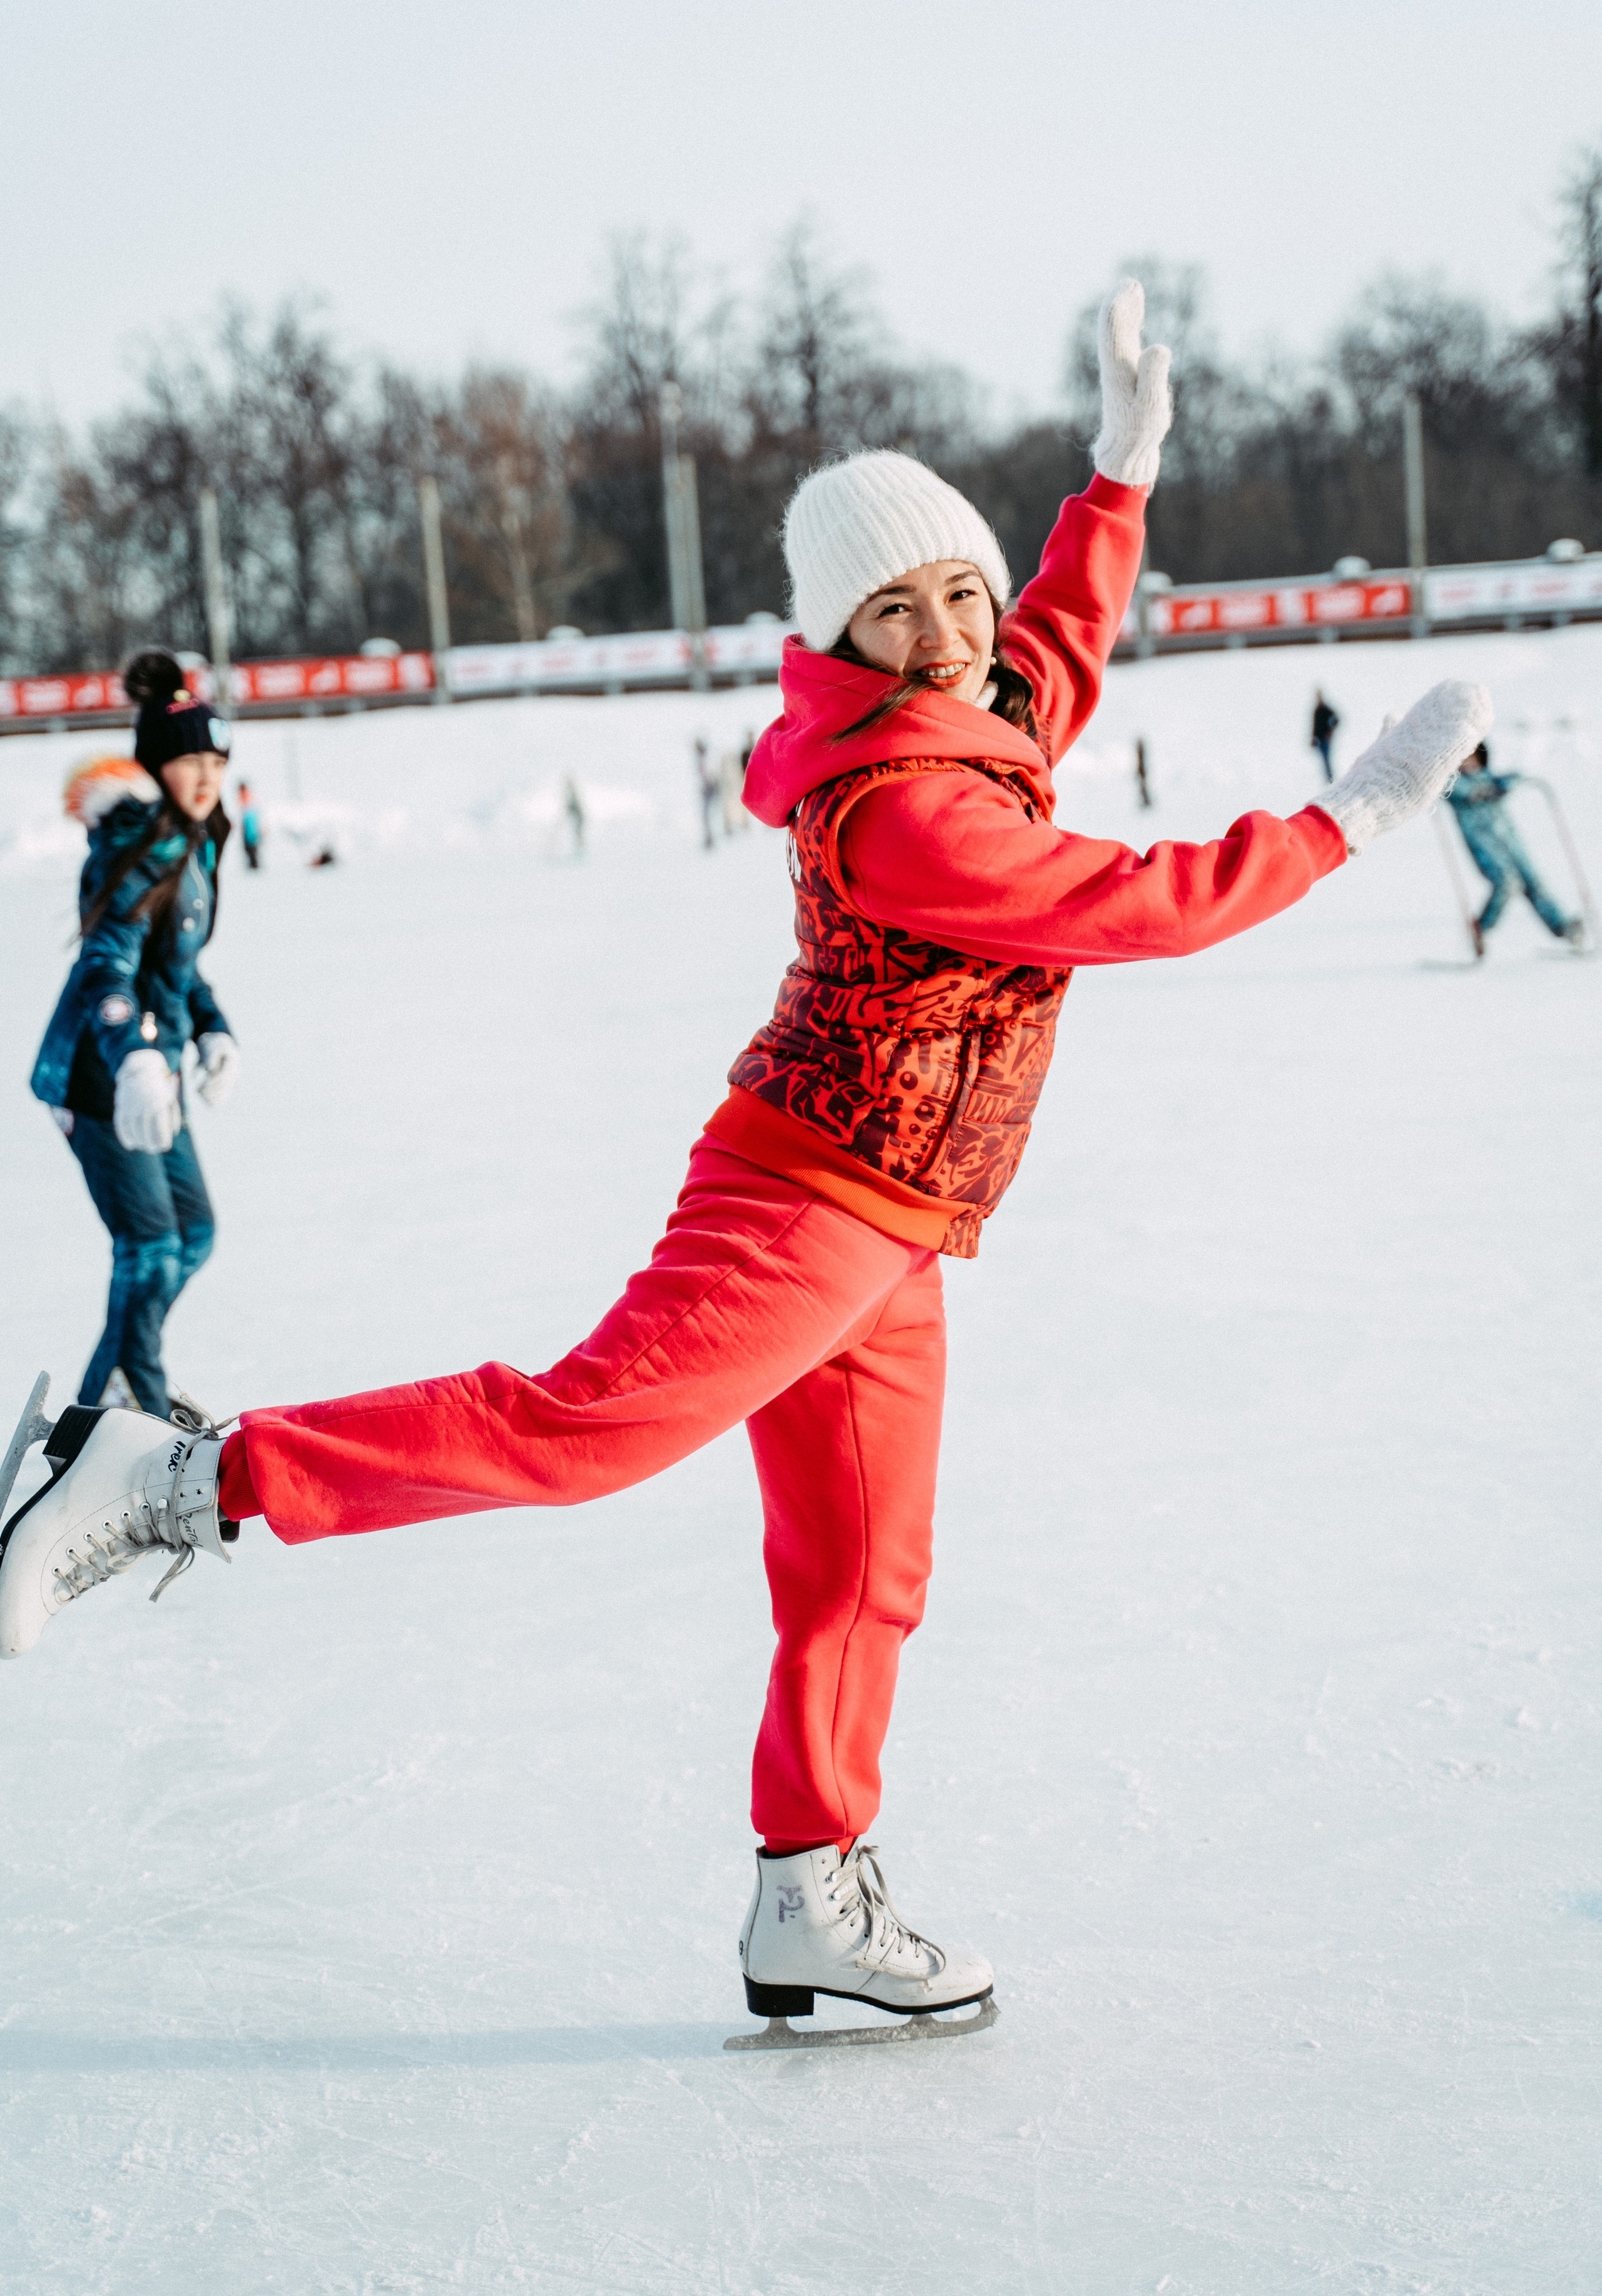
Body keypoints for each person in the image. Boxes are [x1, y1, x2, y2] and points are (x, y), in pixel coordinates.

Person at [0, 288, 1489, 2037]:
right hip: (805, 1200)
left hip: (896, 1227)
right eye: (898, 608)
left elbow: (1048, 666)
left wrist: (1117, 483)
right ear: (839, 640)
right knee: (578, 1432)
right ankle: (176, 1478)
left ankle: (811, 1899)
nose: (947, 633)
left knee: (867, 1568)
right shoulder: (908, 802)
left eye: (959, 588)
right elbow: (1128, 902)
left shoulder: (967, 702)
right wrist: (1349, 819)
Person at [24, 652, 242, 1423]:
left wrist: (213, 1030)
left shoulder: (198, 843)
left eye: (216, 757)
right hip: (98, 1076)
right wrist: (138, 1058)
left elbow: (177, 965)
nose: (206, 774)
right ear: (157, 764)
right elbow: (105, 969)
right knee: (150, 1245)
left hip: (152, 1071)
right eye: (189, 759)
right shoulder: (135, 842)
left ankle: (106, 1398)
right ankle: (128, 1405)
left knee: (194, 1234)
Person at [1446, 741, 1583, 955]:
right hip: (1485, 847)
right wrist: (1491, 788)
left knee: (1533, 882)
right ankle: (1481, 929)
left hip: (1510, 842)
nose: (1468, 763)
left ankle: (1563, 927)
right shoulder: (1456, 786)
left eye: (1472, 758)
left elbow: (1510, 779)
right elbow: (1463, 790)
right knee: (1507, 882)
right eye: (1463, 759)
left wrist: (1511, 782)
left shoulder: (1487, 778)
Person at [1310, 690, 1340, 782]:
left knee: (1327, 760)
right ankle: (1329, 781)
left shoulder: (1325, 709)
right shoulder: (1317, 711)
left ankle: (1331, 781)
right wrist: (1314, 738)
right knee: (1324, 761)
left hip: (1325, 740)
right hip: (1319, 740)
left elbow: (1337, 720)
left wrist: (1330, 732)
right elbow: (1315, 726)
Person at [237, 780, 263, 870]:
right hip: (248, 825)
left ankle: (254, 864)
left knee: (252, 846)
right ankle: (253, 864)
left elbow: (251, 813)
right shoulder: (243, 797)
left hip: (251, 825)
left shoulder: (248, 797)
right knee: (248, 847)